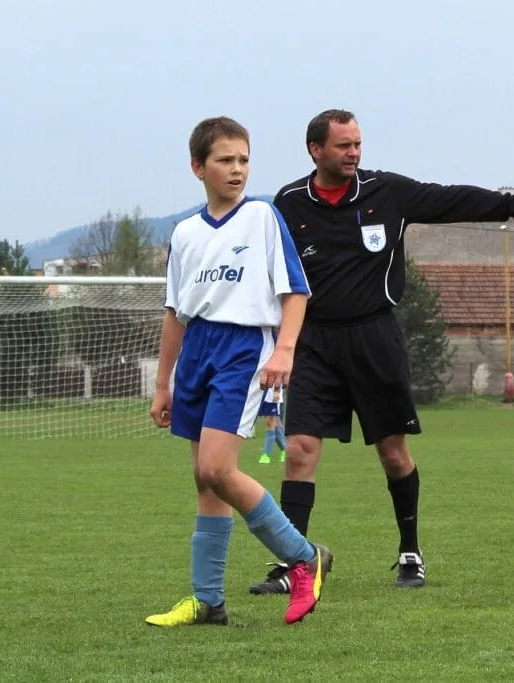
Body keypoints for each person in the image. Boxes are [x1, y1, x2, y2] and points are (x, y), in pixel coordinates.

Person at [248, 108, 514, 595]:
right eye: (343, 146)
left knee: (393, 453)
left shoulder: (386, 192)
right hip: (314, 342)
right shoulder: (289, 204)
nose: (354, 153)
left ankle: (410, 552)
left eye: (358, 144)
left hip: (375, 338)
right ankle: (295, 562)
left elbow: (451, 199)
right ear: (315, 150)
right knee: (298, 451)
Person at [145, 116, 331, 627]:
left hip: (243, 349)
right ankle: (208, 601)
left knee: (217, 470)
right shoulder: (184, 234)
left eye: (244, 159)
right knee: (205, 483)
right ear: (197, 167)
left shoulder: (263, 218)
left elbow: (296, 292)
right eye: (225, 160)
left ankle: (304, 557)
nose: (237, 169)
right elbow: (174, 313)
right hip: (197, 352)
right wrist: (163, 384)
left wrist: (284, 351)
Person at [258, 387, 287, 464]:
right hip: (263, 393)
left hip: (272, 394)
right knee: (274, 424)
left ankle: (266, 455)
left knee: (270, 423)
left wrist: (276, 390)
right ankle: (286, 450)